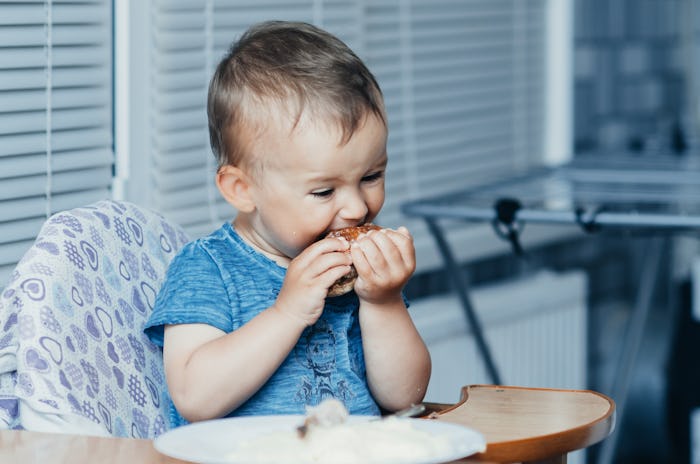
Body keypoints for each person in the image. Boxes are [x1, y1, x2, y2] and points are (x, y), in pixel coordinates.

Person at [144, 20, 431, 426]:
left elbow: (405, 397)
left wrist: (383, 303)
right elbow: (195, 396)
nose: (355, 208)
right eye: (323, 192)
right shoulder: (207, 267)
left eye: (371, 177)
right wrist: (287, 313)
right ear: (243, 189)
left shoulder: (362, 280)